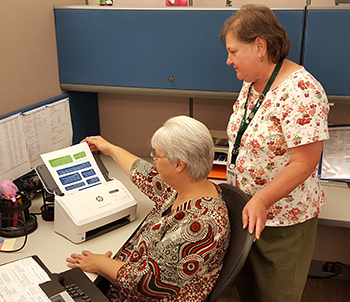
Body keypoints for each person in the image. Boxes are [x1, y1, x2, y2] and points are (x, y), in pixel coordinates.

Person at [220, 4, 329, 302]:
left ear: (259, 46)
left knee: (276, 295)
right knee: (250, 292)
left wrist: (262, 199)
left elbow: (305, 162)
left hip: (283, 219)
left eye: (233, 51)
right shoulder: (252, 83)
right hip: (249, 212)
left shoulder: (302, 91)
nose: (228, 61)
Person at [66, 115, 230, 302]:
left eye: (157, 156)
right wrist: (110, 149)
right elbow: (146, 174)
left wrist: (102, 264)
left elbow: (149, 284)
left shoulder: (200, 225)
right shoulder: (189, 187)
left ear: (178, 165)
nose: (154, 161)